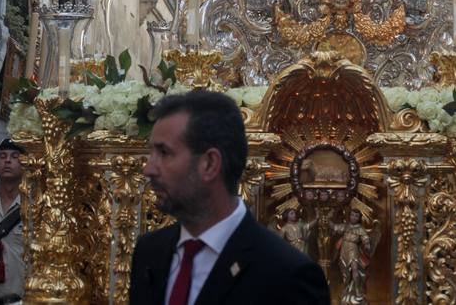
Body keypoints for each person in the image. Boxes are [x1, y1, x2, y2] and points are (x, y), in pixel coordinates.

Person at [129, 90, 330, 305]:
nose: (148, 169)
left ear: (209, 164)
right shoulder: (150, 252)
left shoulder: (287, 275)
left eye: (164, 153)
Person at [0, 139, 25, 305]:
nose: (7, 160)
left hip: (21, 300)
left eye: (14, 156)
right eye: (2, 156)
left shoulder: (34, 210)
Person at [331, 208, 371, 305]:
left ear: (359, 218)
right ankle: (346, 291)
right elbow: (334, 227)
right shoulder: (346, 226)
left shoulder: (360, 229)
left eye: (356, 216)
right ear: (349, 216)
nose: (354, 217)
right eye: (352, 215)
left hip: (353, 250)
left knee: (355, 269)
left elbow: (365, 238)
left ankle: (358, 292)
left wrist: (367, 244)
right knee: (345, 274)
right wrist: (327, 216)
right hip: (344, 251)